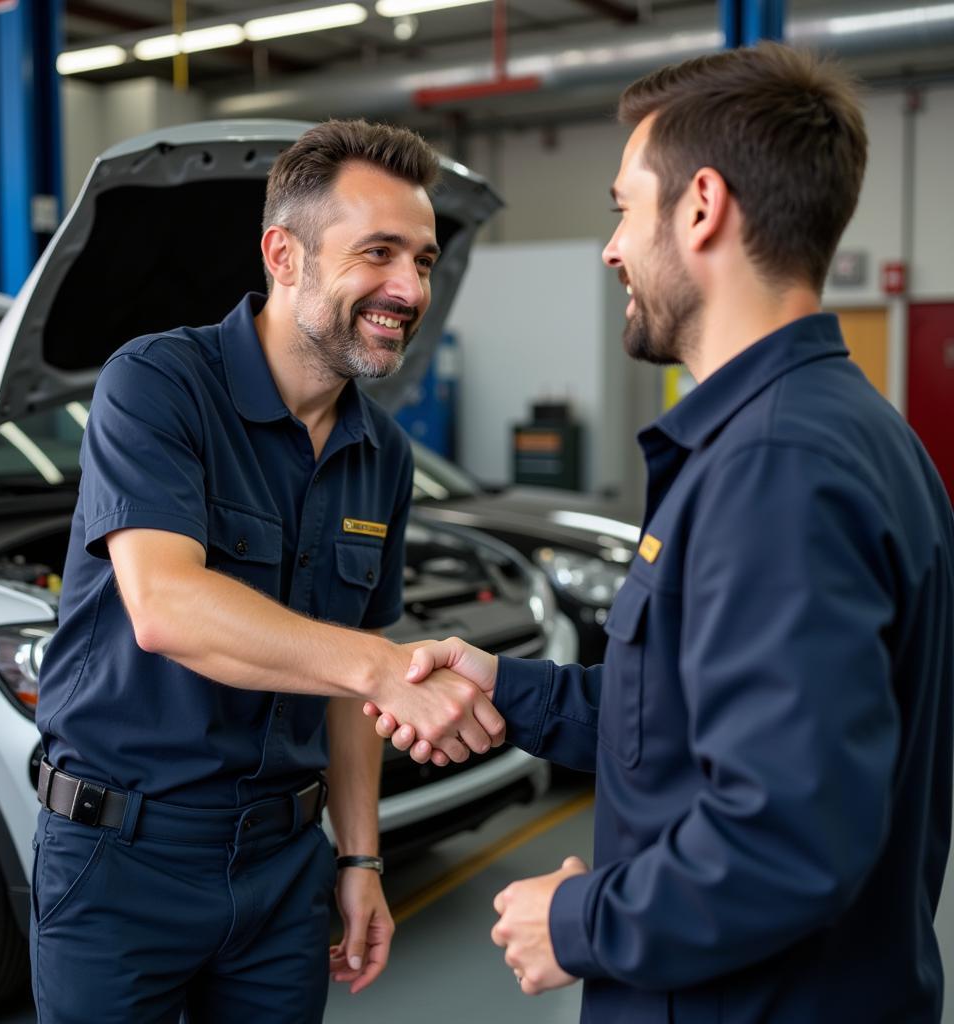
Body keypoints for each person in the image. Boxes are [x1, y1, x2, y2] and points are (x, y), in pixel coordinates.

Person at [370, 42, 954, 1023]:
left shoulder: (776, 466)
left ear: (701, 207)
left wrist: (577, 919)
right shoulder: (830, 430)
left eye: (621, 210)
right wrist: (507, 686)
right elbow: (685, 715)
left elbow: (789, 836)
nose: (610, 248)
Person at [31, 118, 504, 1024]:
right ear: (283, 255)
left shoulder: (384, 453)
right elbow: (166, 605)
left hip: (285, 871)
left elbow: (350, 669)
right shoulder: (158, 384)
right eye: (378, 254)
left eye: (425, 260)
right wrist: (378, 671)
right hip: (120, 863)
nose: (410, 289)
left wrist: (360, 857)